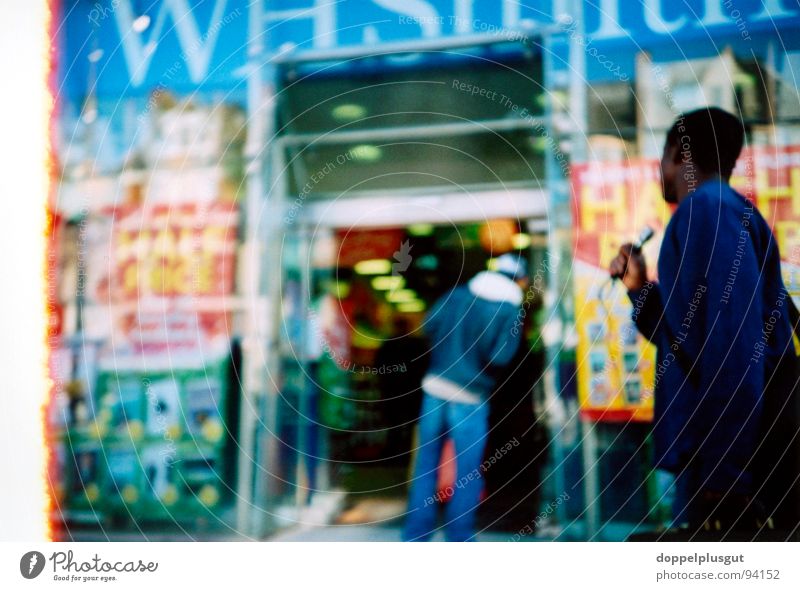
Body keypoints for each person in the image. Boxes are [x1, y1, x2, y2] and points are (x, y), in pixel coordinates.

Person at [609, 107, 796, 534]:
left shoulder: (705, 212)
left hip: (724, 462)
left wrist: (726, 475)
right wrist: (639, 288)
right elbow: (689, 343)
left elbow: (734, 346)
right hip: (720, 455)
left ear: (677, 151)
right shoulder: (722, 211)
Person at [403, 253, 526, 541]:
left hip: (434, 389)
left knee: (426, 465)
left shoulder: (458, 294)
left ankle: (415, 536)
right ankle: (458, 538)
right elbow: (501, 356)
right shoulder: (509, 311)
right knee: (467, 471)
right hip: (470, 397)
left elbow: (428, 325)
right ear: (519, 279)